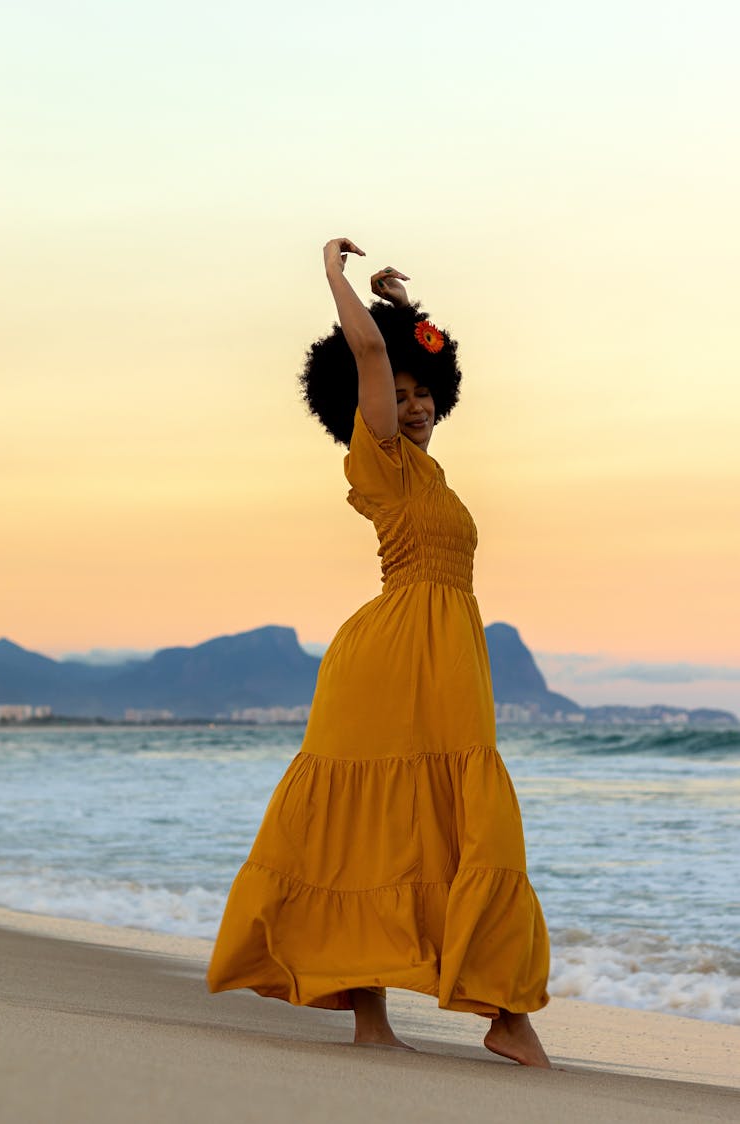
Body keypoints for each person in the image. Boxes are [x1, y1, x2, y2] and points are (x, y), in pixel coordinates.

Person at [207, 237, 551, 1067]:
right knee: (370, 835)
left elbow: (383, 344)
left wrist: (401, 310)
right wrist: (335, 278)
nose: (416, 405)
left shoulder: (432, 478)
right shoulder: (381, 462)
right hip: (390, 662)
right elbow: (363, 350)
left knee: (459, 824)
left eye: (424, 391)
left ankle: (488, 1011)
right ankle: (450, 1017)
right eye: (397, 395)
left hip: (446, 659)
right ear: (368, 407)